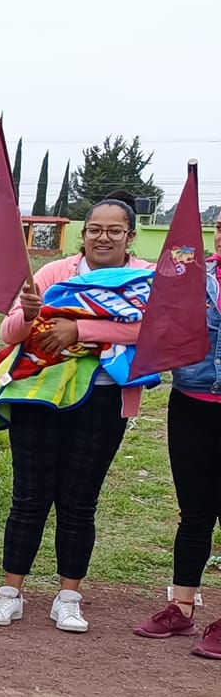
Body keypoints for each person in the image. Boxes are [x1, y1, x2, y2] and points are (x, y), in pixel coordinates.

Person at [0, 198, 153, 634]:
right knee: (29, 497)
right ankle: (10, 594)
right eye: (95, 229)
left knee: (79, 501)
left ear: (130, 236)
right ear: (84, 233)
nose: (104, 237)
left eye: (115, 230)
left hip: (103, 398)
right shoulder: (55, 273)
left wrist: (81, 329)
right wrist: (31, 316)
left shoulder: (145, 279)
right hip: (38, 396)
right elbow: (9, 331)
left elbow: (148, 330)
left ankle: (68, 598)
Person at [135, 219, 221, 657]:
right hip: (191, 403)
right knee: (194, 513)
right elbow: (161, 326)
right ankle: (181, 609)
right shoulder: (193, 280)